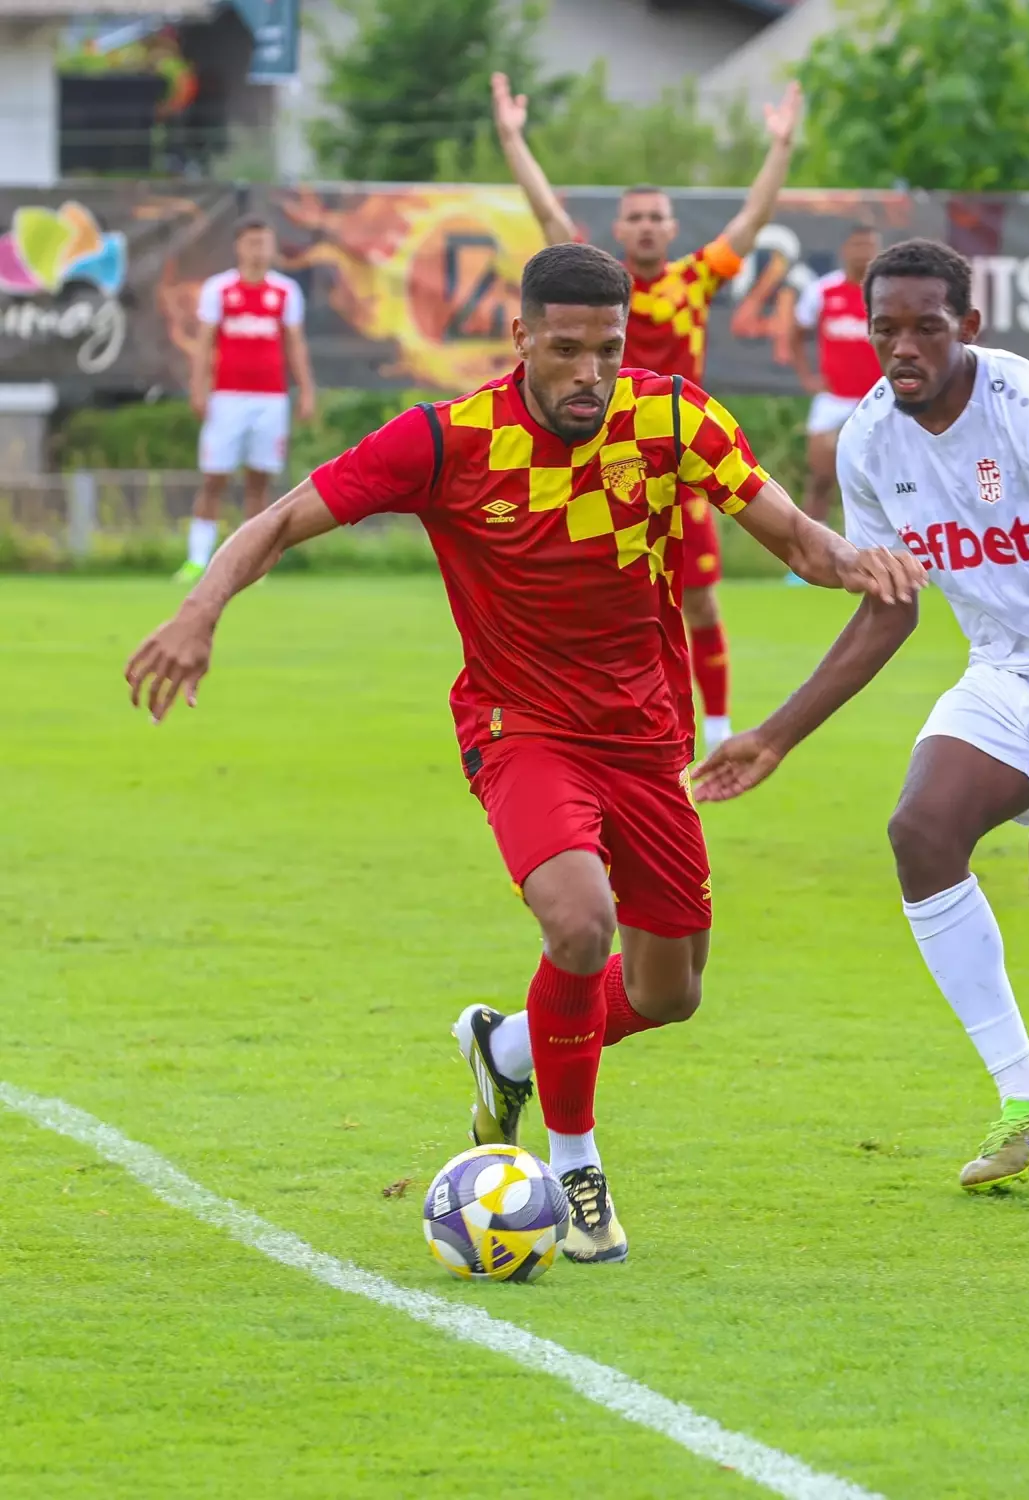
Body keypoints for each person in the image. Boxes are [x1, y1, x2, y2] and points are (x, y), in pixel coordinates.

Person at [127, 243, 923, 1261]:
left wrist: (864, 562)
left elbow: (805, 543)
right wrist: (199, 611)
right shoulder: (447, 441)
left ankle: (506, 1047)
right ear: (521, 339)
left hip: (647, 740)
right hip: (522, 729)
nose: (591, 373)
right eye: (566, 350)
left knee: (670, 991)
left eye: (609, 350)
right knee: (581, 924)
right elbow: (280, 522)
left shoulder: (673, 417)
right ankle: (574, 1166)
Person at [695, 237, 1029, 1201]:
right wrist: (775, 735)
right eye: (885, 329)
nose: (904, 347)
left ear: (967, 325)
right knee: (920, 833)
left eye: (927, 327)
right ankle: (1028, 1102)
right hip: (1005, 666)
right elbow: (889, 609)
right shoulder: (869, 441)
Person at [492, 71, 801, 755]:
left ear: (671, 227)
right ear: (619, 228)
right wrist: (513, 139)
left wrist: (781, 145)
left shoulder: (696, 278)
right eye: (635, 217)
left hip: (680, 461)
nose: (647, 226)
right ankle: (589, 719)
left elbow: (752, 221)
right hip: (602, 456)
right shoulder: (601, 291)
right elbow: (549, 221)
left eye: (657, 216)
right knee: (600, 599)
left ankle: (715, 728)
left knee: (699, 599)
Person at [178, 215, 316, 583]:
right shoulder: (219, 289)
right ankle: (197, 561)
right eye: (252, 242)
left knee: (259, 482)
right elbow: (205, 344)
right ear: (239, 247)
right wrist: (198, 388)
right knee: (214, 479)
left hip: (271, 400)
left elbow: (295, 344)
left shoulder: (285, 291)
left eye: (264, 242)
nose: (258, 250)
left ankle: (251, 564)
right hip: (227, 399)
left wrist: (306, 391)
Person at [790, 224, 882, 524]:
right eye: (857, 245)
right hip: (834, 399)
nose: (863, 253)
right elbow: (796, 333)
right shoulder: (822, 290)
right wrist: (807, 377)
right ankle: (811, 544)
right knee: (820, 477)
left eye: (869, 246)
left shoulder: (886, 293)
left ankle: (888, 545)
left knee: (887, 481)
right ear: (845, 250)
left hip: (879, 400)